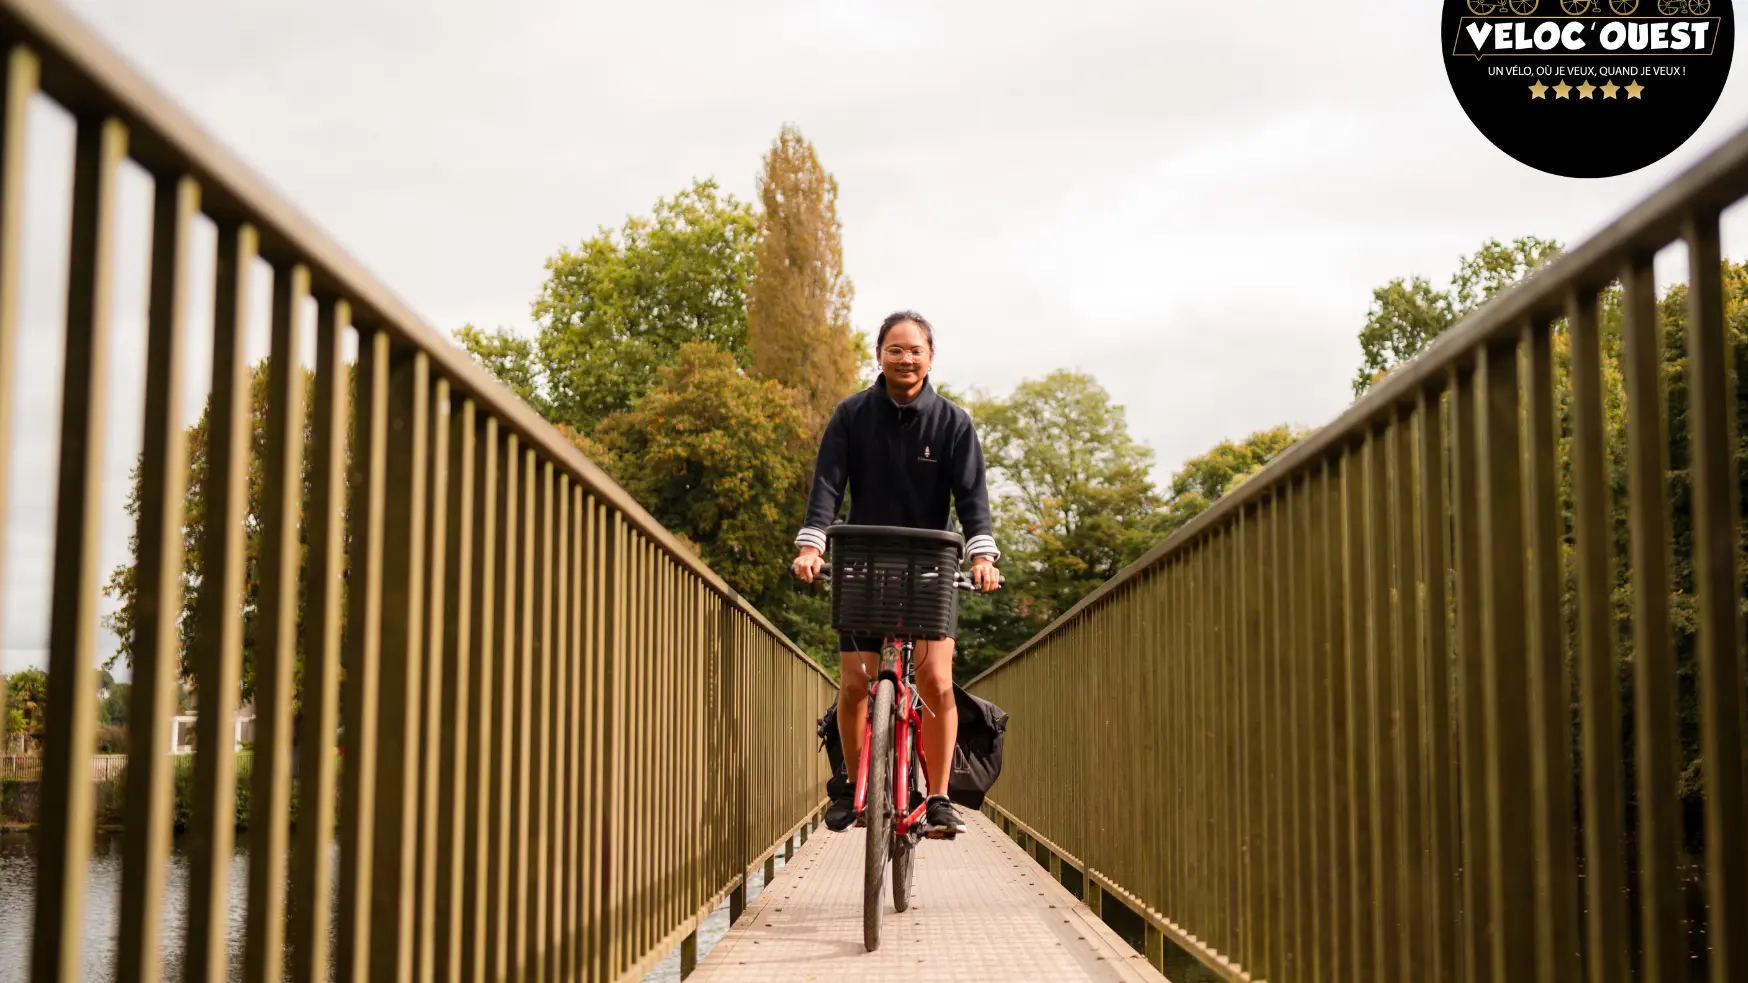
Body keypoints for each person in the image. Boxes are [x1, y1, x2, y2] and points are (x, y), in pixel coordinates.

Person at [791, 310, 1000, 837]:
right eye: (895, 349)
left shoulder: (952, 422)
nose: (905, 359)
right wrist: (812, 547)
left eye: (915, 350)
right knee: (853, 684)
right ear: (879, 354)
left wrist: (982, 558)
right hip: (862, 561)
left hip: (930, 566)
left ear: (931, 358)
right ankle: (850, 783)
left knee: (935, 681)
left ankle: (937, 797)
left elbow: (972, 497)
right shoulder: (851, 415)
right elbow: (827, 488)